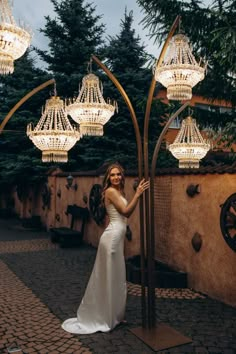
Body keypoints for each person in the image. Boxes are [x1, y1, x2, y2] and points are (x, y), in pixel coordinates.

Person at [61, 163, 149, 334]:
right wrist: (138, 194)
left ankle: (115, 315)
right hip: (112, 240)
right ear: (108, 178)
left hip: (115, 237)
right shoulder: (110, 191)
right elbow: (126, 212)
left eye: (118, 174)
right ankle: (105, 316)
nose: (116, 177)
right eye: (112, 175)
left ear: (122, 176)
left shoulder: (119, 192)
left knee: (116, 277)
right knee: (109, 277)